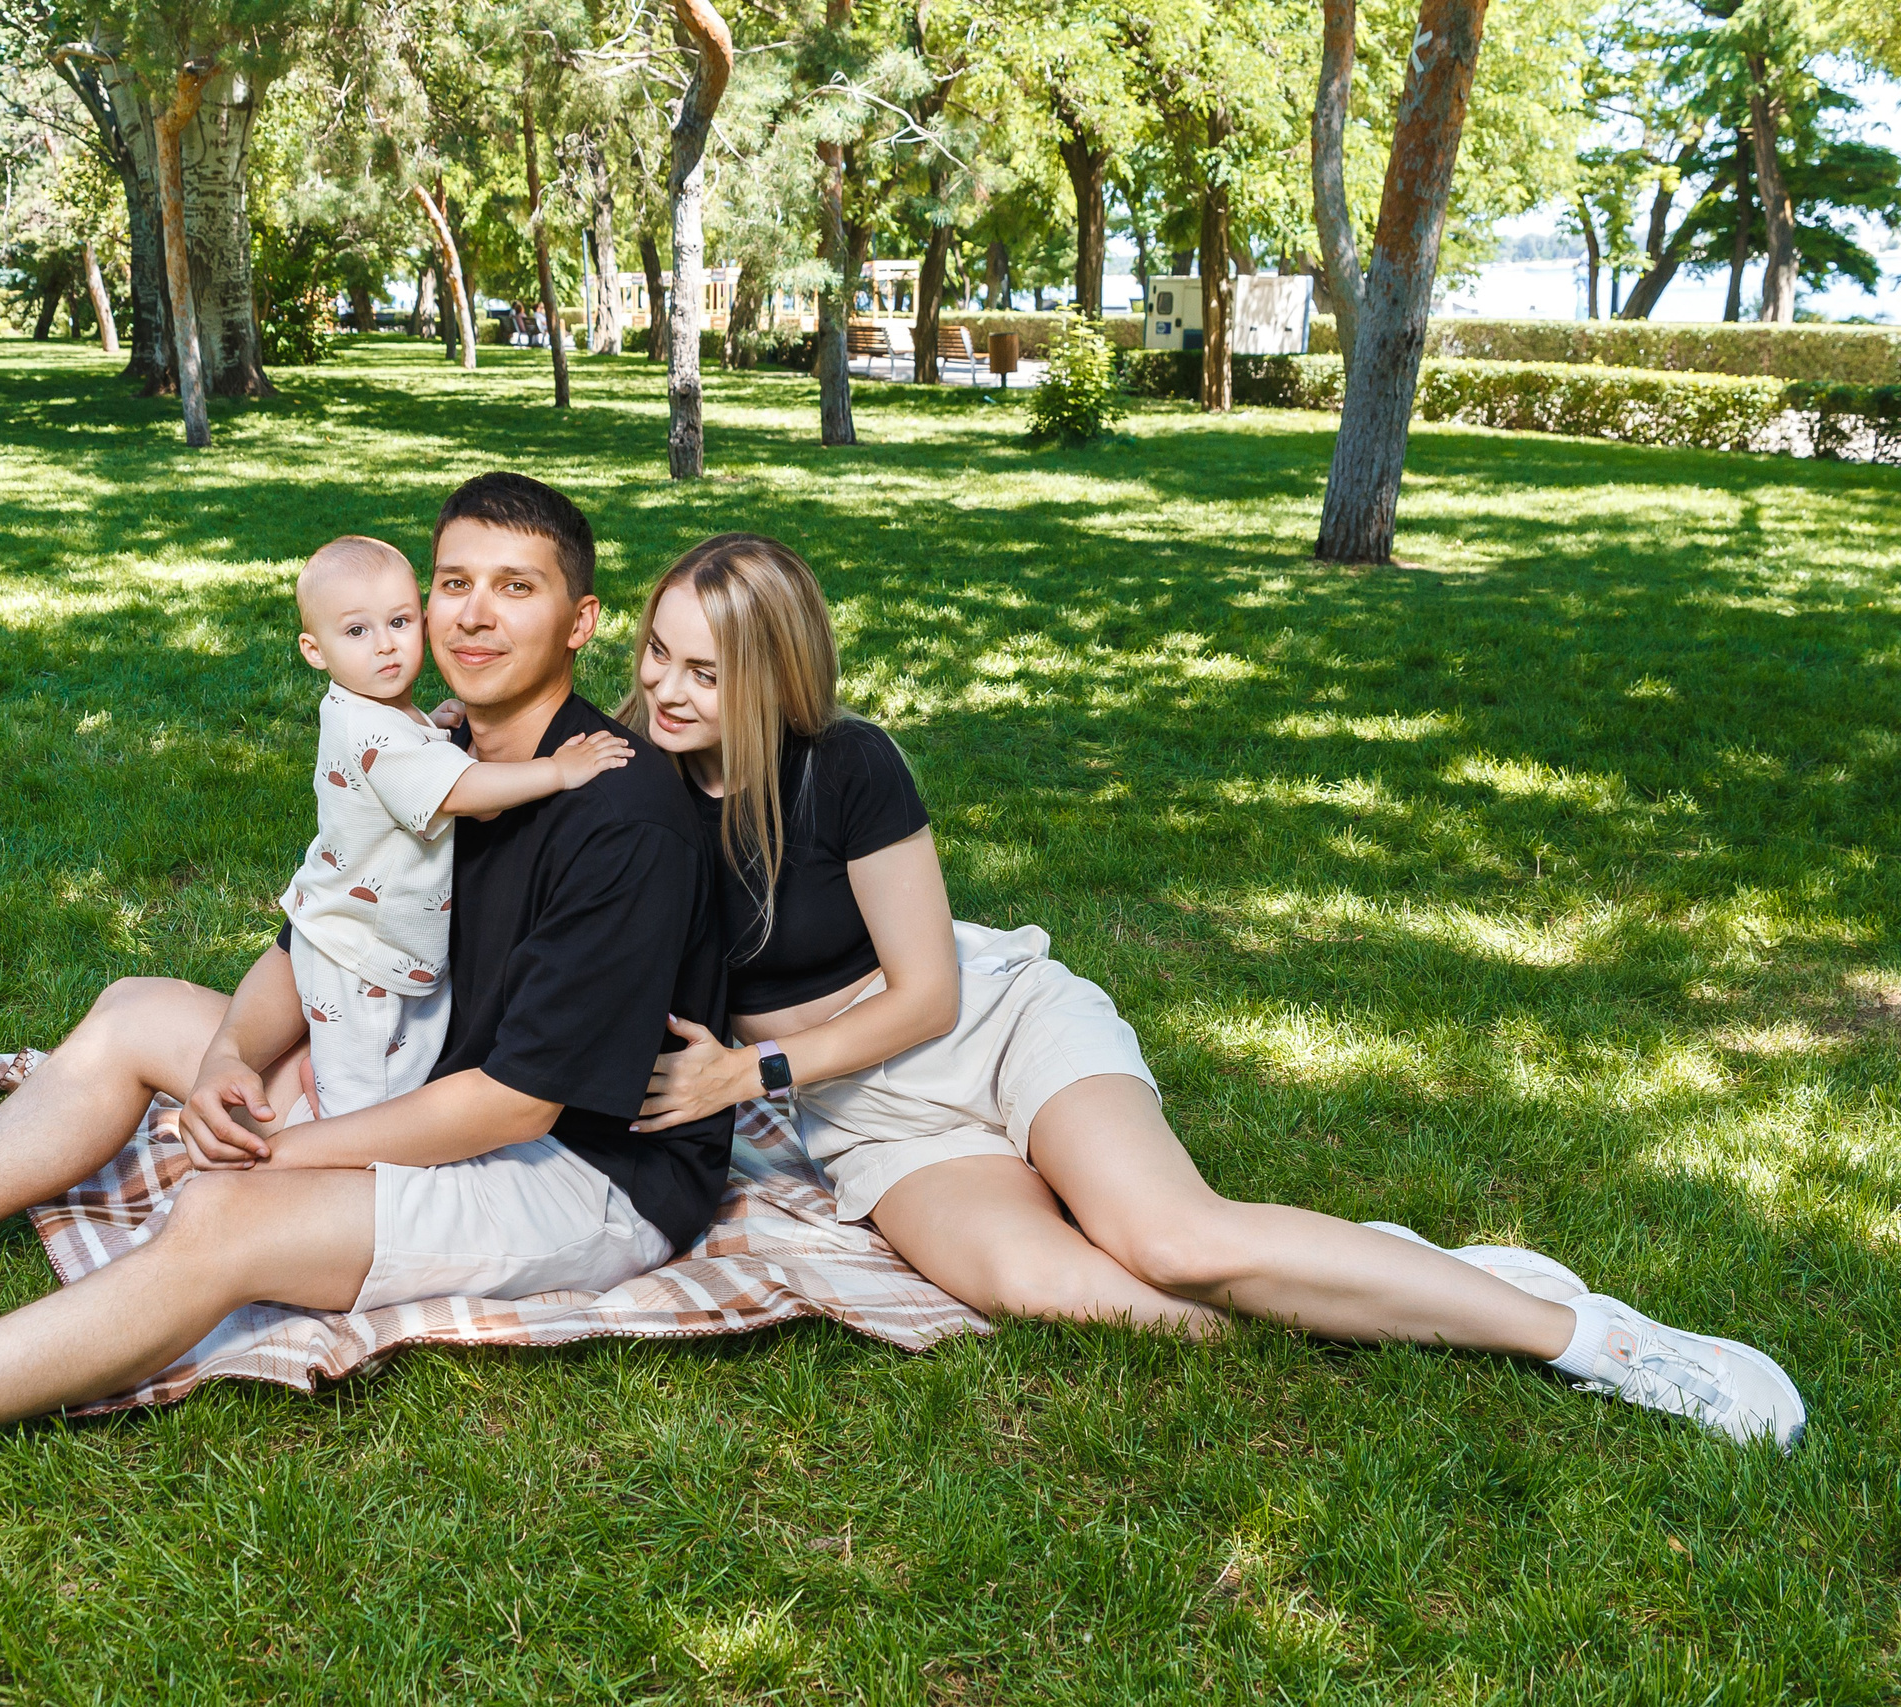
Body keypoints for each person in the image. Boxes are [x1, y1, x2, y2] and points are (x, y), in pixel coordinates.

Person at [0, 473, 736, 1538]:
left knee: (218, 1218)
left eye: (515, 588)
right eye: (454, 582)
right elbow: (318, 931)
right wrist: (226, 1058)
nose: (473, 614)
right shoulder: (424, 751)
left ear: (579, 624)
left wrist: (286, 1147)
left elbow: (518, 1105)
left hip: (586, 1174)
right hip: (426, 1070)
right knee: (131, 1013)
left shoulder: (617, 817)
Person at [621, 532, 1806, 1449]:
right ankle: (1415, 1281)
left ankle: (1600, 1343)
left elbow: (926, 995)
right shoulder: (630, 788)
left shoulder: (852, 763)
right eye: (656, 653)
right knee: (1058, 1287)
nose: (668, 689)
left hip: (987, 1024)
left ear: (777, 680)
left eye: (706, 672)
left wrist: (749, 1070)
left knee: (1171, 1241)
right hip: (870, 1118)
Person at [278, 533, 631, 1118]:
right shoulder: (377, 734)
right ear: (315, 651)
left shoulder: (373, 707)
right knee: (366, 1099)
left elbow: (406, 744)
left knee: (407, 1071)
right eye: (357, 632)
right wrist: (555, 770)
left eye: (399, 621)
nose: (386, 647)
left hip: (374, 942)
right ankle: (328, 1147)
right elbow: (470, 792)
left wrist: (433, 726)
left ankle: (334, 1102)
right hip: (360, 956)